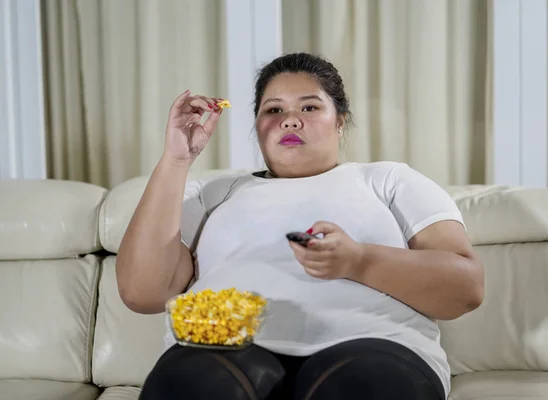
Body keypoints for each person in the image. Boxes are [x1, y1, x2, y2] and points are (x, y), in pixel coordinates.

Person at [116, 52, 484, 400]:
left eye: (309, 107)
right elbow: (143, 291)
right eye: (273, 109)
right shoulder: (212, 194)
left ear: (340, 120)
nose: (289, 120)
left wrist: (358, 261)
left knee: (364, 384)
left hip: (376, 342)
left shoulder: (388, 180)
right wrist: (177, 159)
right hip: (226, 346)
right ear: (257, 126)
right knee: (192, 383)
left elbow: (465, 288)